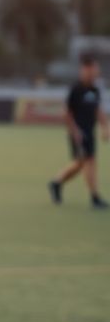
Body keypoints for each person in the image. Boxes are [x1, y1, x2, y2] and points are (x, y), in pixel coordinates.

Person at [48, 56, 109, 208]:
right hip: (79, 133)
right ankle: (95, 197)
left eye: (96, 69)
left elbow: (97, 110)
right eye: (93, 69)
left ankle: (56, 182)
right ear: (85, 70)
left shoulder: (94, 90)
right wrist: (75, 131)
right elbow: (66, 113)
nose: (96, 72)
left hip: (90, 131)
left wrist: (105, 127)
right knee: (89, 161)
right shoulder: (76, 89)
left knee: (80, 163)